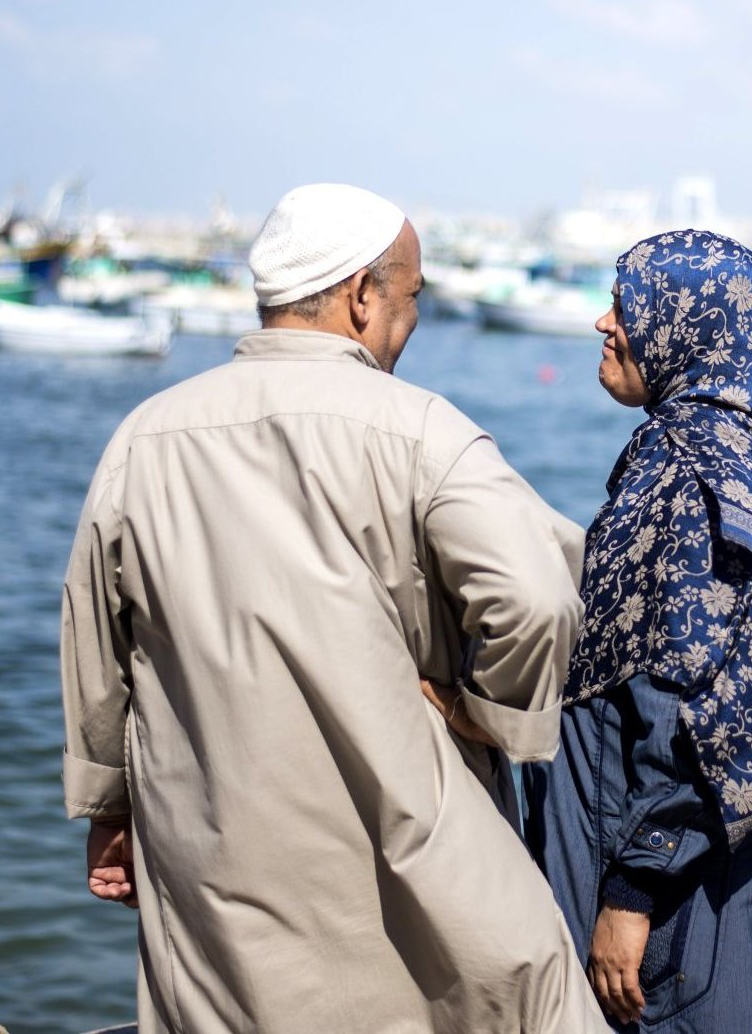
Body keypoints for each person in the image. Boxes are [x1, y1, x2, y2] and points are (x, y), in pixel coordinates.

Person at [60, 183, 602, 1033]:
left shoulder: (146, 435)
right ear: (360, 296)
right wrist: (488, 715)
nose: (413, 320)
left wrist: (109, 806)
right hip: (409, 847)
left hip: (214, 848)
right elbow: (534, 599)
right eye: (411, 296)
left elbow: (97, 642)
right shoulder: (424, 432)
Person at [526, 230, 752, 1031]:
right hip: (738, 894)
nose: (603, 323)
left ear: (690, 328)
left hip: (685, 926)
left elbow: (730, 705)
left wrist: (632, 889)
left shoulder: (692, 468)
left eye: (627, 307)